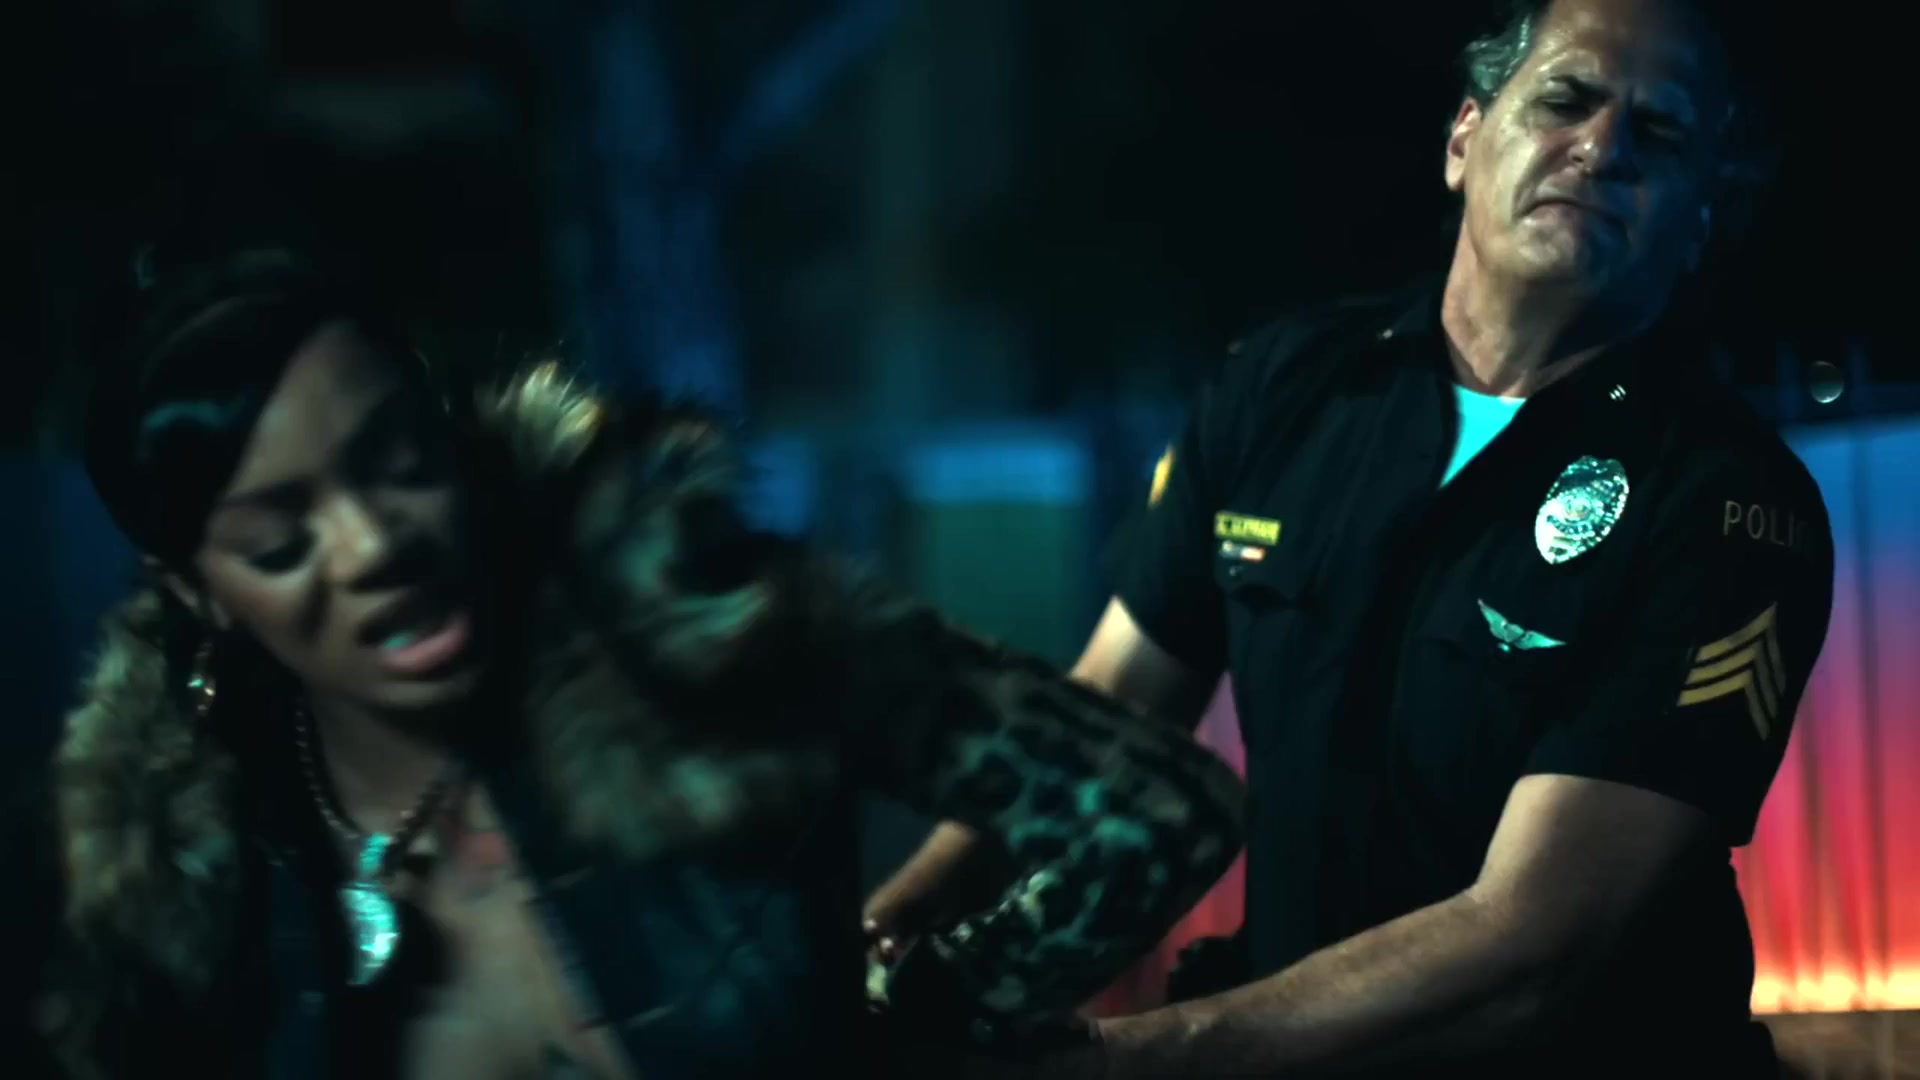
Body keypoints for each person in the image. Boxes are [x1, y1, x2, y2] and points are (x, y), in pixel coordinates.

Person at [865, 0, 1832, 1075]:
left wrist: (1117, 1059)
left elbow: (1538, 943)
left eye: (1660, 132)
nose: (1602, 148)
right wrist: (895, 923)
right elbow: (1101, 718)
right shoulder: (1280, 389)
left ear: (1700, 218)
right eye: (1566, 99)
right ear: (1464, 139)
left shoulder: (1729, 501)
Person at [1, 246, 1247, 1079]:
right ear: (194, 590)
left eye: (396, 460)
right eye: (281, 542)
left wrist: (923, 1025)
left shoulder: (701, 629)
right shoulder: (175, 865)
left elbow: (1154, 809)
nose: (374, 546)